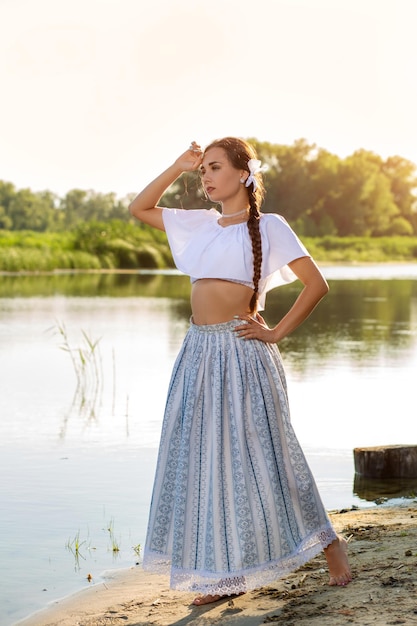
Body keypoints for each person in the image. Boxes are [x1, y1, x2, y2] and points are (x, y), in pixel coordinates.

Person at [129, 137, 352, 605]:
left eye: (213, 167)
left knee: (270, 456)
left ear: (242, 173)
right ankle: (224, 575)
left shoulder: (269, 226)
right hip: (198, 355)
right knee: (205, 463)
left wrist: (276, 334)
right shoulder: (199, 225)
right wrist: (177, 166)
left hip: (243, 352)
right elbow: (140, 207)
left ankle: (330, 544)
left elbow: (316, 285)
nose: (205, 176)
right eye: (202, 169)